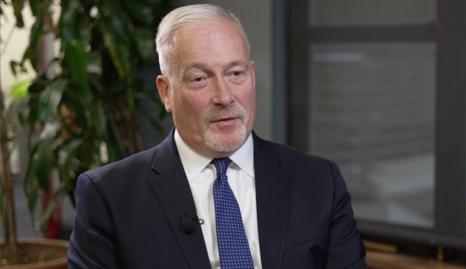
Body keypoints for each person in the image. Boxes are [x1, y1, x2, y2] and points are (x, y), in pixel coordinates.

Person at [67, 4, 366, 269]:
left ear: (251, 75)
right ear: (166, 92)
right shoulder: (108, 196)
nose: (224, 96)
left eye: (236, 74)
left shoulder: (318, 181)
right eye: (199, 79)